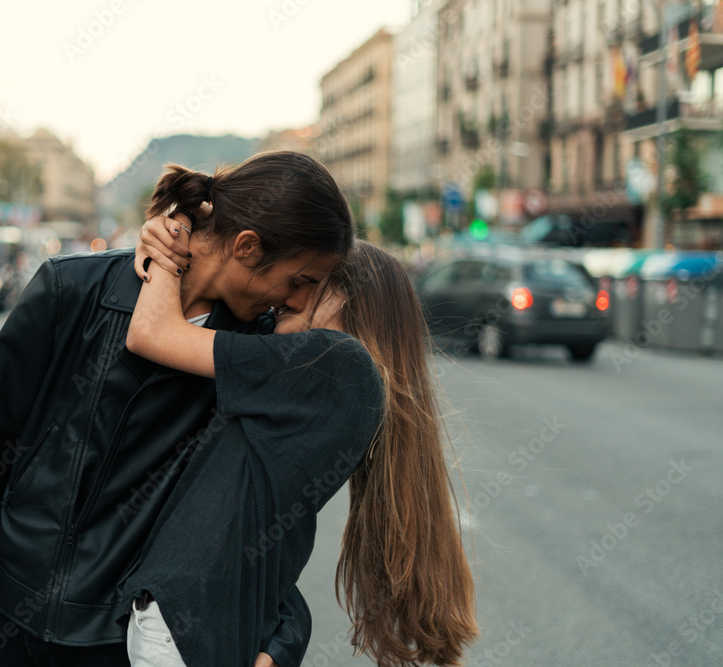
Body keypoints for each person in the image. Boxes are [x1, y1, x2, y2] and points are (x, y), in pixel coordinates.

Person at [0, 151, 355, 667]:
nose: (296, 302)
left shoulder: (252, 356)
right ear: (247, 246)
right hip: (6, 622)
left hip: (130, 643)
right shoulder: (71, 290)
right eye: (299, 280)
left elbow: (271, 532)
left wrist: (279, 643)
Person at [117, 237, 479, 667]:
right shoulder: (338, 380)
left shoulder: (333, 361)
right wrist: (287, 628)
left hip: (178, 629)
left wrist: (170, 239)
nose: (283, 295)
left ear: (352, 296)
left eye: (309, 281)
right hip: (194, 631)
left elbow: (151, 333)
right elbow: (261, 520)